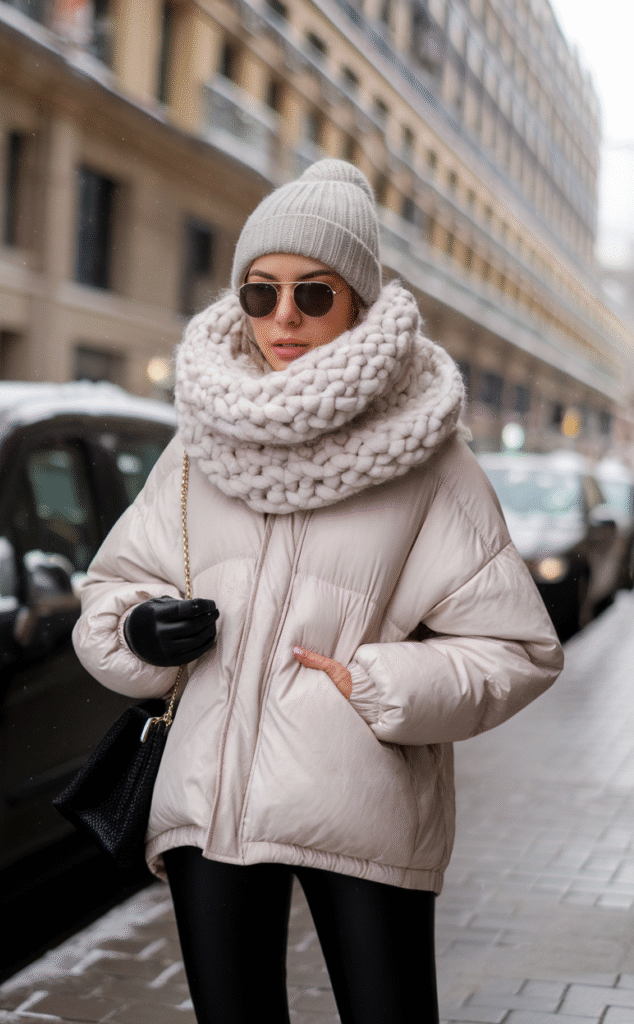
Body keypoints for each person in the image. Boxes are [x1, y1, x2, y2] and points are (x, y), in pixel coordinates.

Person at [73, 159, 563, 1024]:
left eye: (314, 293)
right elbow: (115, 587)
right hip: (211, 810)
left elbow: (519, 649)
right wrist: (141, 631)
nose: (283, 318)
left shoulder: (431, 460)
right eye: (260, 295)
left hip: (363, 808)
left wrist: (376, 686)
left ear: (361, 302)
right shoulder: (199, 445)